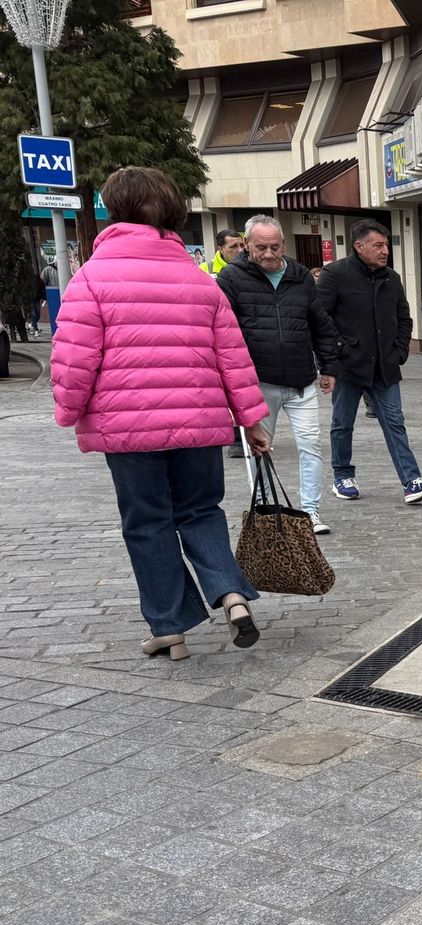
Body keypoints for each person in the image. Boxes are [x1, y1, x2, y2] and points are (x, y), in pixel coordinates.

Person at [52, 166, 271, 662]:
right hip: (198, 423)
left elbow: (73, 358)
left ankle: (170, 627)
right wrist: (251, 419)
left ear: (114, 210)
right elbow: (232, 358)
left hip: (127, 429)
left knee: (147, 522)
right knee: (200, 510)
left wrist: (68, 411)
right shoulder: (199, 281)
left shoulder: (91, 278)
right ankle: (231, 594)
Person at [217, 215, 339, 534]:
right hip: (258, 381)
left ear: (283, 244)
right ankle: (268, 512)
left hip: (300, 379)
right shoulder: (231, 278)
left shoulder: (299, 276)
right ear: (247, 245)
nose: (269, 253)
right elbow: (222, 332)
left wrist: (329, 367)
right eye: (261, 247)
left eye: (275, 246)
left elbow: (320, 324)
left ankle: (310, 510)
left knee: (310, 444)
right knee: (260, 448)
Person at [316, 219, 422, 504]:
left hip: (385, 366)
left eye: (386, 245)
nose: (385, 250)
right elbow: (321, 319)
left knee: (395, 422)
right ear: (359, 246)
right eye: (378, 245)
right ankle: (342, 476)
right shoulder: (335, 274)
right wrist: (339, 349)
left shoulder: (391, 277)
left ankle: (411, 481)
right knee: (342, 423)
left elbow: (404, 318)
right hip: (349, 365)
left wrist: (399, 350)